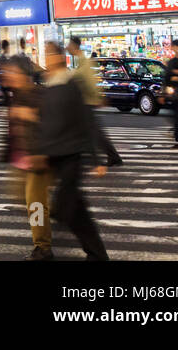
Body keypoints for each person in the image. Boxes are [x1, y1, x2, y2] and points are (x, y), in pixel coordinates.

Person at [33, 41, 109, 261]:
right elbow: (45, 121)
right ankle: (97, 254)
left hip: (72, 154)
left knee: (64, 207)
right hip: (54, 154)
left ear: (58, 57)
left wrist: (97, 159)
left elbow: (87, 119)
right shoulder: (48, 85)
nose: (46, 59)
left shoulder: (71, 83)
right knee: (77, 210)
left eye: (48, 54)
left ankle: (95, 253)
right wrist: (40, 150)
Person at [0, 57, 50, 260]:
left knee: (35, 204)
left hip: (36, 159)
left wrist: (28, 115)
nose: (8, 76)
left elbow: (48, 122)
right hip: (20, 159)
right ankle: (54, 214)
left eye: (12, 73)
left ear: (23, 75)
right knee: (22, 197)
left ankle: (43, 247)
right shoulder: (17, 94)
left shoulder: (36, 94)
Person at [66, 35, 123, 166]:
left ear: (74, 46)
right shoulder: (80, 62)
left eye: (69, 45)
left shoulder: (84, 63)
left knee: (95, 133)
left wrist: (99, 98)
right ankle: (108, 156)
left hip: (87, 103)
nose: (67, 48)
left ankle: (111, 156)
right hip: (83, 103)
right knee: (90, 132)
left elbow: (91, 83)